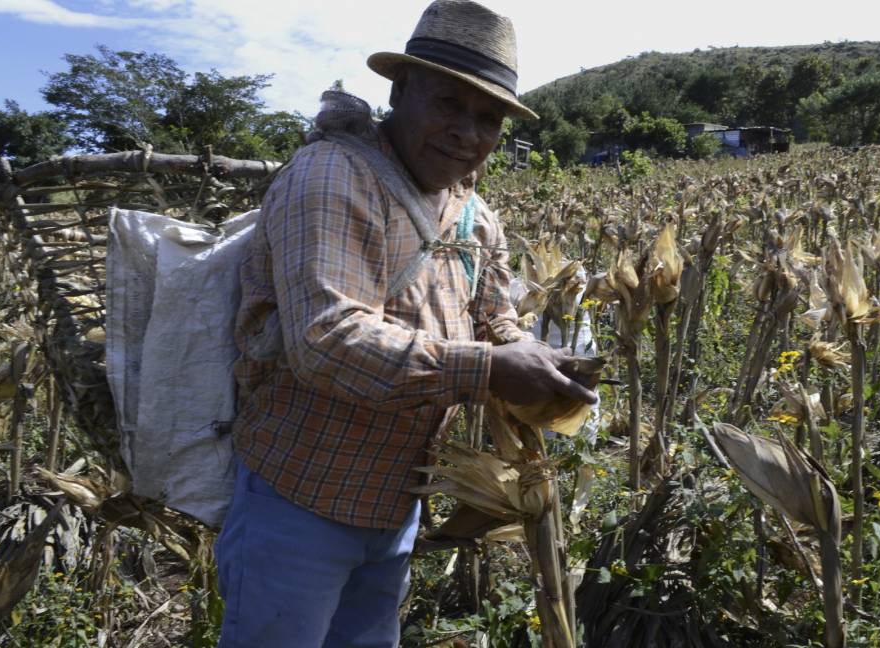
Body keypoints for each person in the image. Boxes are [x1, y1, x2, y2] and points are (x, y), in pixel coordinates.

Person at [214, 2, 597, 646]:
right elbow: (326, 341)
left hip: (395, 504)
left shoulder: (473, 212)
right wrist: (493, 367)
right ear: (400, 91)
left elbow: (494, 314)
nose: (467, 133)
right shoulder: (331, 176)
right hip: (298, 501)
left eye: (487, 118)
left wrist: (532, 357)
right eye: (449, 104)